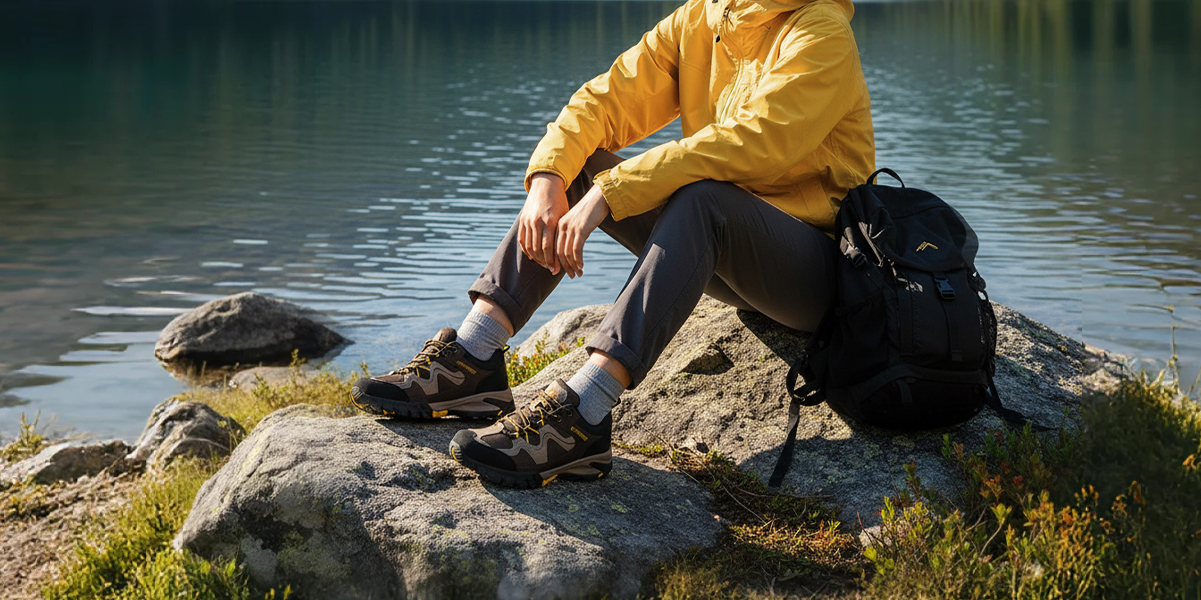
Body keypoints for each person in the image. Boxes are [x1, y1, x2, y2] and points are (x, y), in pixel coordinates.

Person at [349, 0, 874, 489]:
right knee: (582, 162)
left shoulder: (820, 30)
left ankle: (582, 416)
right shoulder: (704, 19)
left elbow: (755, 143)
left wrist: (611, 193)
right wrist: (550, 177)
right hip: (721, 251)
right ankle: (472, 358)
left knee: (702, 199)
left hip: (816, 269)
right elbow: (605, 99)